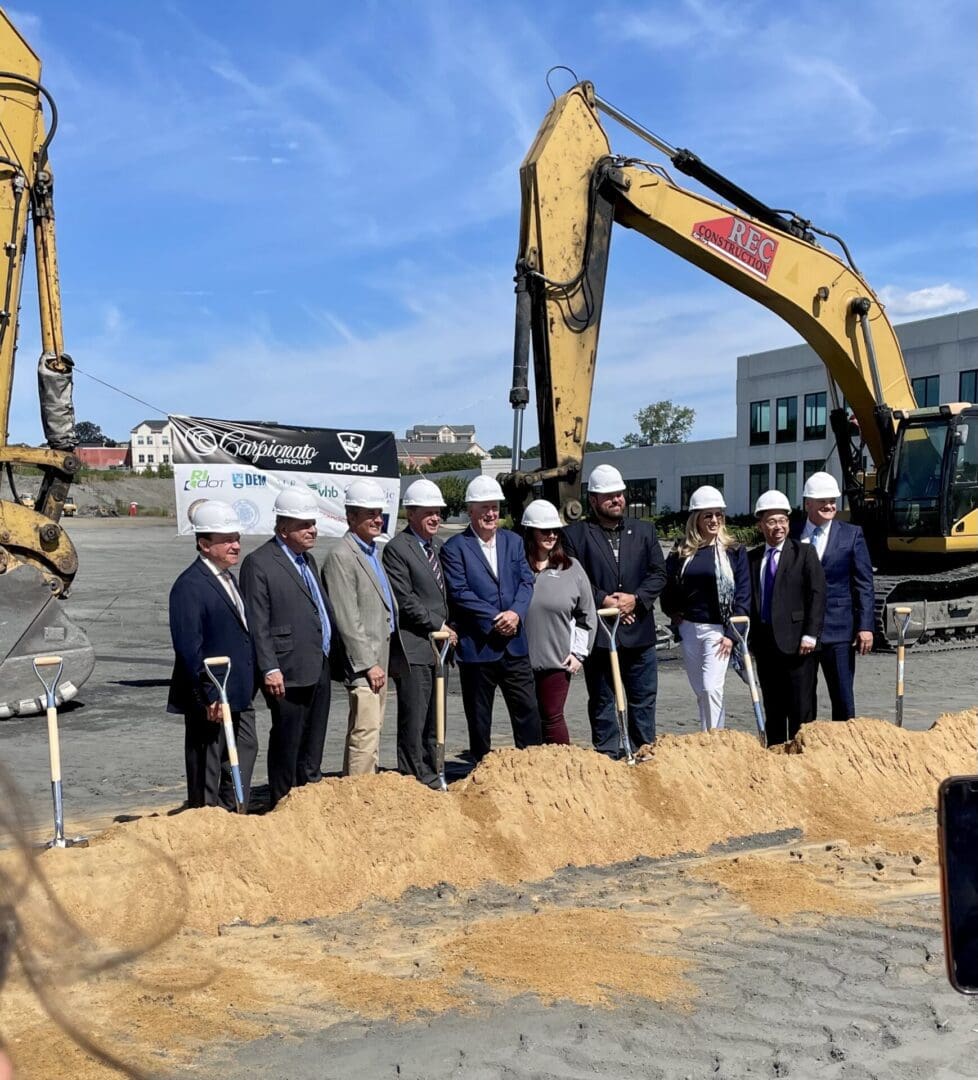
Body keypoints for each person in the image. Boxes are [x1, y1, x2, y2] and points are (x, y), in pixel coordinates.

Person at [239, 486, 337, 808]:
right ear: (283, 528)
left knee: (313, 741)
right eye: (304, 525)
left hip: (317, 663)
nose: (312, 530)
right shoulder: (260, 563)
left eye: (313, 524)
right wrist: (269, 667)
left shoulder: (306, 560)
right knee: (288, 740)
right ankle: (282, 802)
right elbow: (258, 621)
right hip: (286, 670)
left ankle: (308, 799)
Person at [563, 464, 667, 756]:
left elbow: (658, 574)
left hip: (639, 631)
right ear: (593, 500)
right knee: (602, 698)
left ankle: (642, 748)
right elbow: (575, 578)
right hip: (601, 632)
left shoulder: (644, 531)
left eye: (620, 494)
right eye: (608, 496)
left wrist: (635, 599)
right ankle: (607, 754)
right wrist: (605, 600)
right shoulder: (575, 535)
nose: (617, 500)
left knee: (643, 697)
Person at [440, 475, 542, 762]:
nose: (491, 514)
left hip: (514, 645)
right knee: (479, 717)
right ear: (470, 510)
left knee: (527, 712)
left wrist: (516, 613)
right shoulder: (454, 548)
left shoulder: (513, 541)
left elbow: (526, 582)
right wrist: (498, 616)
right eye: (484, 507)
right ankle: (481, 769)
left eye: (495, 507)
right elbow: (459, 592)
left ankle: (531, 765)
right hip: (478, 648)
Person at [167, 500, 258, 810]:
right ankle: (206, 826)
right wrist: (208, 695)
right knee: (207, 767)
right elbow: (188, 648)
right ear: (204, 544)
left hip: (238, 695)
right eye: (226, 540)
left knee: (244, 752)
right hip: (212, 698)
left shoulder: (229, 579)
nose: (236, 545)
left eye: (237, 538)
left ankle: (234, 817)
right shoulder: (190, 586)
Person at [323, 477, 405, 776]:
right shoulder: (342, 557)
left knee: (372, 727)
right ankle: (359, 794)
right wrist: (368, 664)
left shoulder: (371, 553)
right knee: (365, 730)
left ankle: (361, 787)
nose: (376, 519)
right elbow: (347, 618)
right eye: (368, 514)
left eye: (379, 513)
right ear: (351, 517)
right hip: (364, 663)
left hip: (379, 658)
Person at [382, 478, 458, 786]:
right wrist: (439, 626)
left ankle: (434, 770)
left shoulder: (438, 547)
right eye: (428, 512)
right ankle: (414, 778)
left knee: (435, 717)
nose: (435, 518)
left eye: (438, 512)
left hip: (441, 649)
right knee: (414, 718)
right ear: (410, 514)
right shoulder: (398, 549)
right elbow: (405, 600)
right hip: (415, 648)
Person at [660, 485, 750, 732]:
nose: (714, 520)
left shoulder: (734, 552)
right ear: (696, 519)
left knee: (712, 688)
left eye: (718, 515)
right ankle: (706, 734)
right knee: (701, 690)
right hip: (689, 628)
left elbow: (743, 594)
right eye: (707, 515)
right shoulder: (682, 551)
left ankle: (715, 740)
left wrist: (733, 634)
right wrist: (673, 612)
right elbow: (667, 587)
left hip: (719, 631)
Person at [791, 471, 875, 721]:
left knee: (842, 697)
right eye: (823, 501)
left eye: (832, 501)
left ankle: (844, 749)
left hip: (839, 631)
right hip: (801, 631)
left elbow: (864, 583)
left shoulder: (852, 535)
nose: (829, 506)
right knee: (803, 700)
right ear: (808, 503)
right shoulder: (793, 534)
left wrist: (865, 626)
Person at [748, 489, 826, 746]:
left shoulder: (804, 553)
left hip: (798, 644)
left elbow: (817, 595)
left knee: (801, 706)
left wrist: (810, 634)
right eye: (772, 521)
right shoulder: (753, 558)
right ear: (761, 525)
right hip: (765, 644)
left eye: (783, 521)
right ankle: (775, 753)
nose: (778, 527)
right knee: (773, 705)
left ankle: (802, 755)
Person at [521, 499, 596, 745]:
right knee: (527, 719)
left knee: (552, 717)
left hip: (556, 661)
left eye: (555, 530)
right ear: (530, 531)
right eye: (545, 530)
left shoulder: (571, 568)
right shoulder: (516, 565)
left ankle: (562, 768)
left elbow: (587, 615)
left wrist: (579, 653)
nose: (551, 535)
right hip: (519, 661)